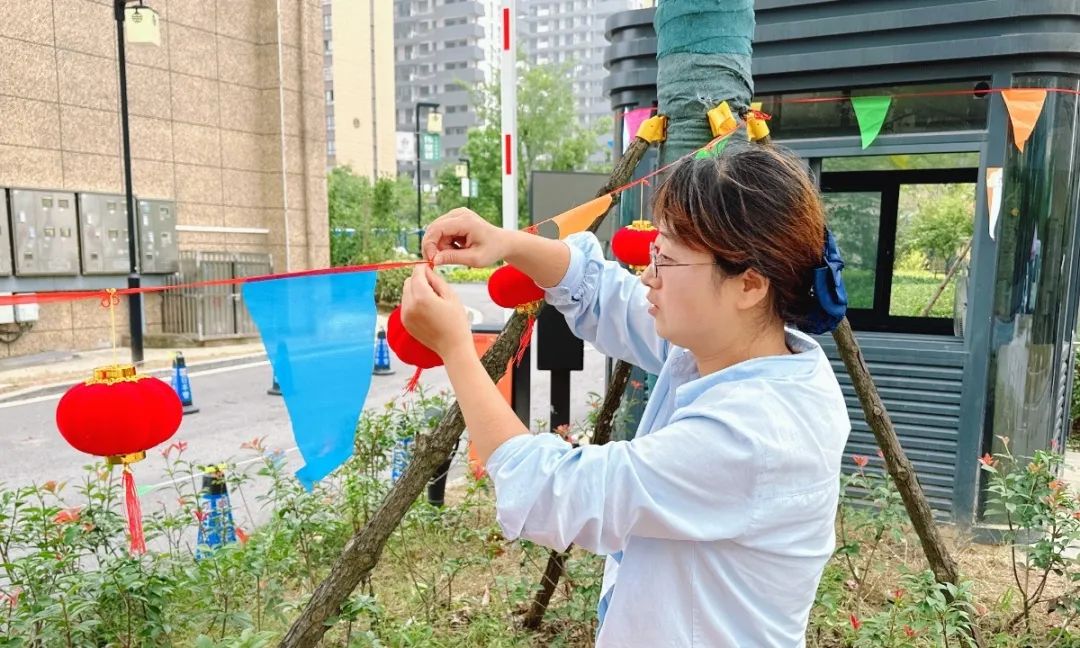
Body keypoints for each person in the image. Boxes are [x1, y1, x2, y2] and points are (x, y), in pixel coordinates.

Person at [399, 144, 851, 647]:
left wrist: (456, 350)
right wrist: (506, 243)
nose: (647, 276)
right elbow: (604, 294)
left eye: (667, 260)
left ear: (749, 284)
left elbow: (551, 493)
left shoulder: (754, 434)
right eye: (652, 253)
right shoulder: (738, 348)